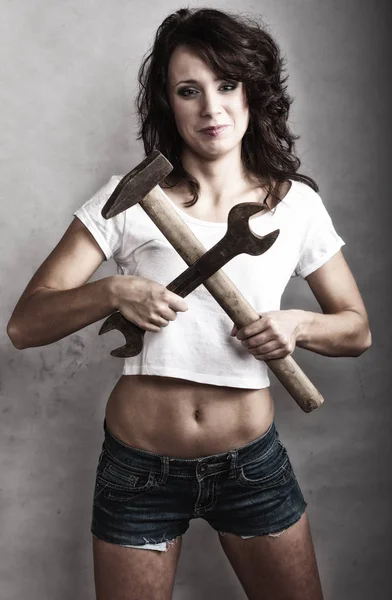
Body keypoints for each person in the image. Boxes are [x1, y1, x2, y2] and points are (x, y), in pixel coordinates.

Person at [7, 8, 371, 600]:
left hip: (252, 467)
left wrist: (298, 325)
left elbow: (357, 330)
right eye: (188, 91)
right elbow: (24, 325)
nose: (211, 108)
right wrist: (111, 291)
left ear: (254, 90)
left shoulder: (295, 204)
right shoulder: (132, 200)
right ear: (167, 104)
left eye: (227, 85)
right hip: (138, 469)